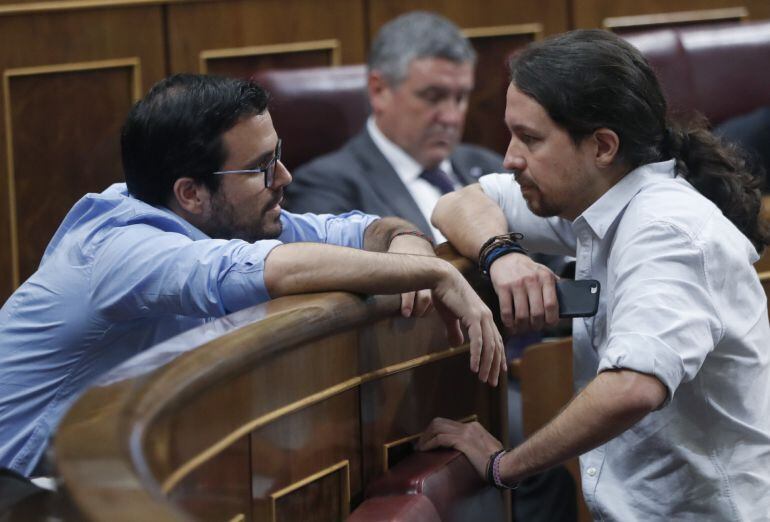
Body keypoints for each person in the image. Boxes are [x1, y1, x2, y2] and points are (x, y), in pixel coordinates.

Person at [0, 74, 506, 477]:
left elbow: (370, 228)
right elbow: (273, 270)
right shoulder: (121, 247)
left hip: (96, 462)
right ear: (190, 193)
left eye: (279, 155)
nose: (284, 178)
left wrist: (410, 248)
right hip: (19, 485)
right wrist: (437, 277)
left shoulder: (231, 215)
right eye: (263, 167)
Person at [420, 29, 770, 520]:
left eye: (530, 138)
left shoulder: (667, 230)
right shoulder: (602, 198)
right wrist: (502, 254)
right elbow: (459, 202)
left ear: (602, 146)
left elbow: (632, 387)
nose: (509, 157)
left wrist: (504, 467)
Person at [285, 11, 503, 243]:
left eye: (460, 97)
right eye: (432, 96)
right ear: (379, 91)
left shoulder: (493, 169)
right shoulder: (327, 188)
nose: (451, 117)